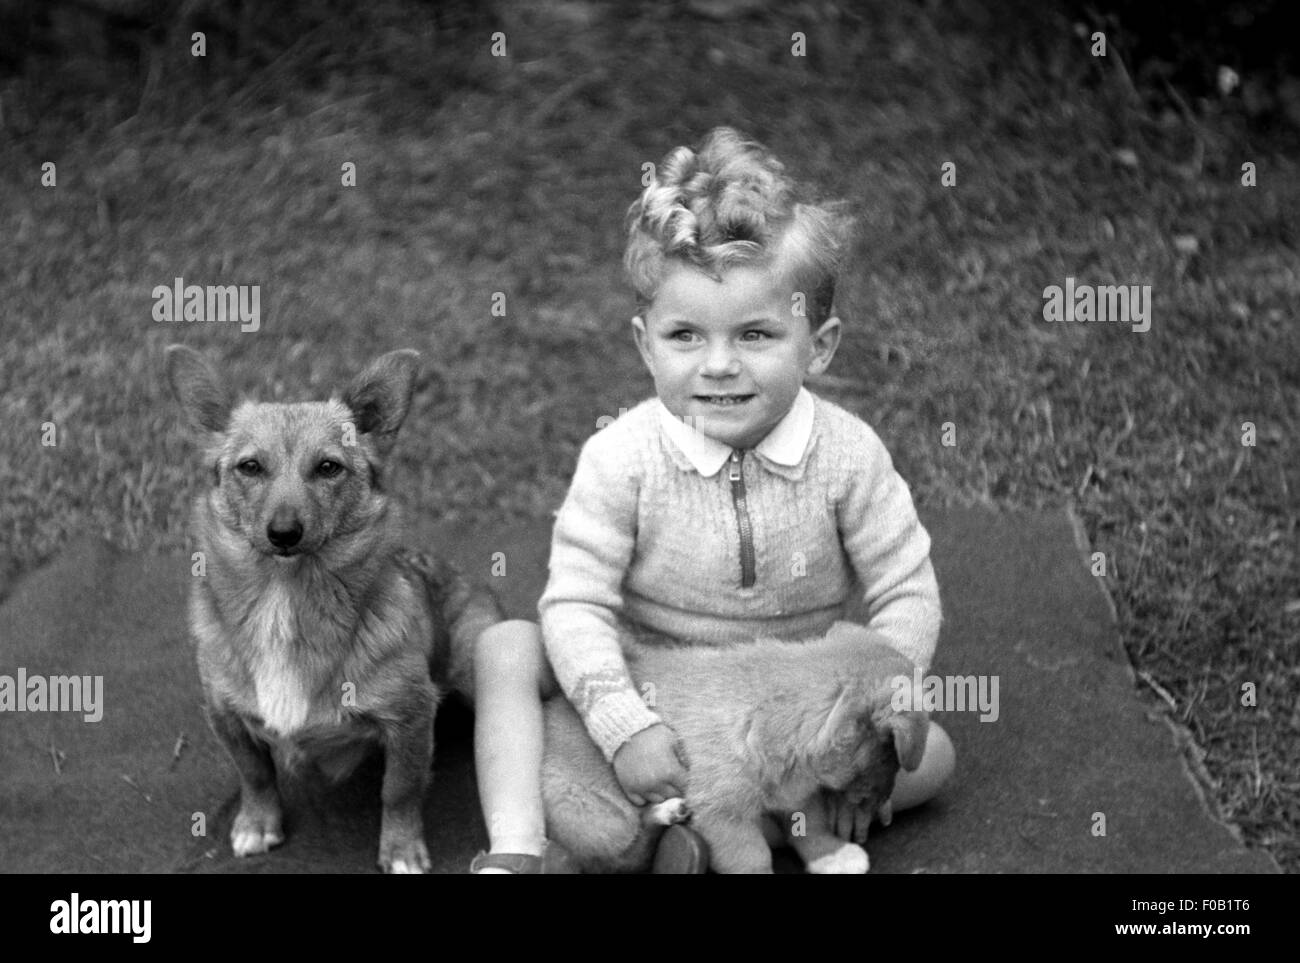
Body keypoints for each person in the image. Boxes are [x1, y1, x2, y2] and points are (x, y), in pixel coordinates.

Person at [470, 127, 954, 873]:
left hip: (789, 716)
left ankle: (686, 828)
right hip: (651, 683)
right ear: (644, 343)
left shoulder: (851, 455)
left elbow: (907, 587)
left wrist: (875, 720)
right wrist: (622, 723)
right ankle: (517, 845)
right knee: (508, 646)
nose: (719, 365)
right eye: (686, 335)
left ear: (817, 345)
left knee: (934, 758)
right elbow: (576, 605)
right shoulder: (620, 457)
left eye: (757, 333)